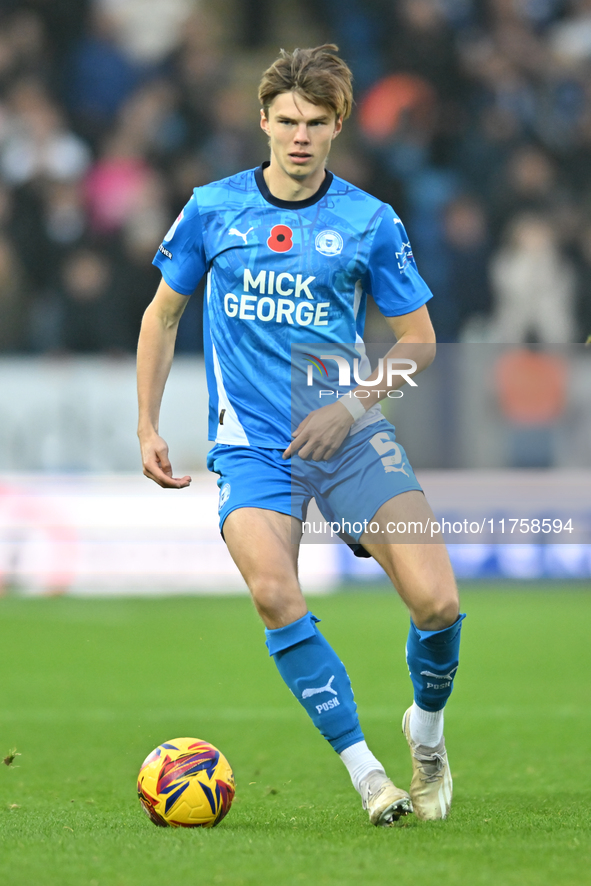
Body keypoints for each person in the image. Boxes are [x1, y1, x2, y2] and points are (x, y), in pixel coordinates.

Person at [137, 45, 464, 827]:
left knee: (438, 603)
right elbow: (162, 314)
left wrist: (348, 408)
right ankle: (368, 777)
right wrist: (146, 421)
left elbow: (417, 343)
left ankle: (424, 732)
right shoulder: (212, 208)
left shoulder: (367, 220)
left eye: (316, 122)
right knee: (273, 592)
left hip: (349, 438)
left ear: (337, 126)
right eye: (286, 120)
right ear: (262, 121)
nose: (299, 136)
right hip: (254, 447)